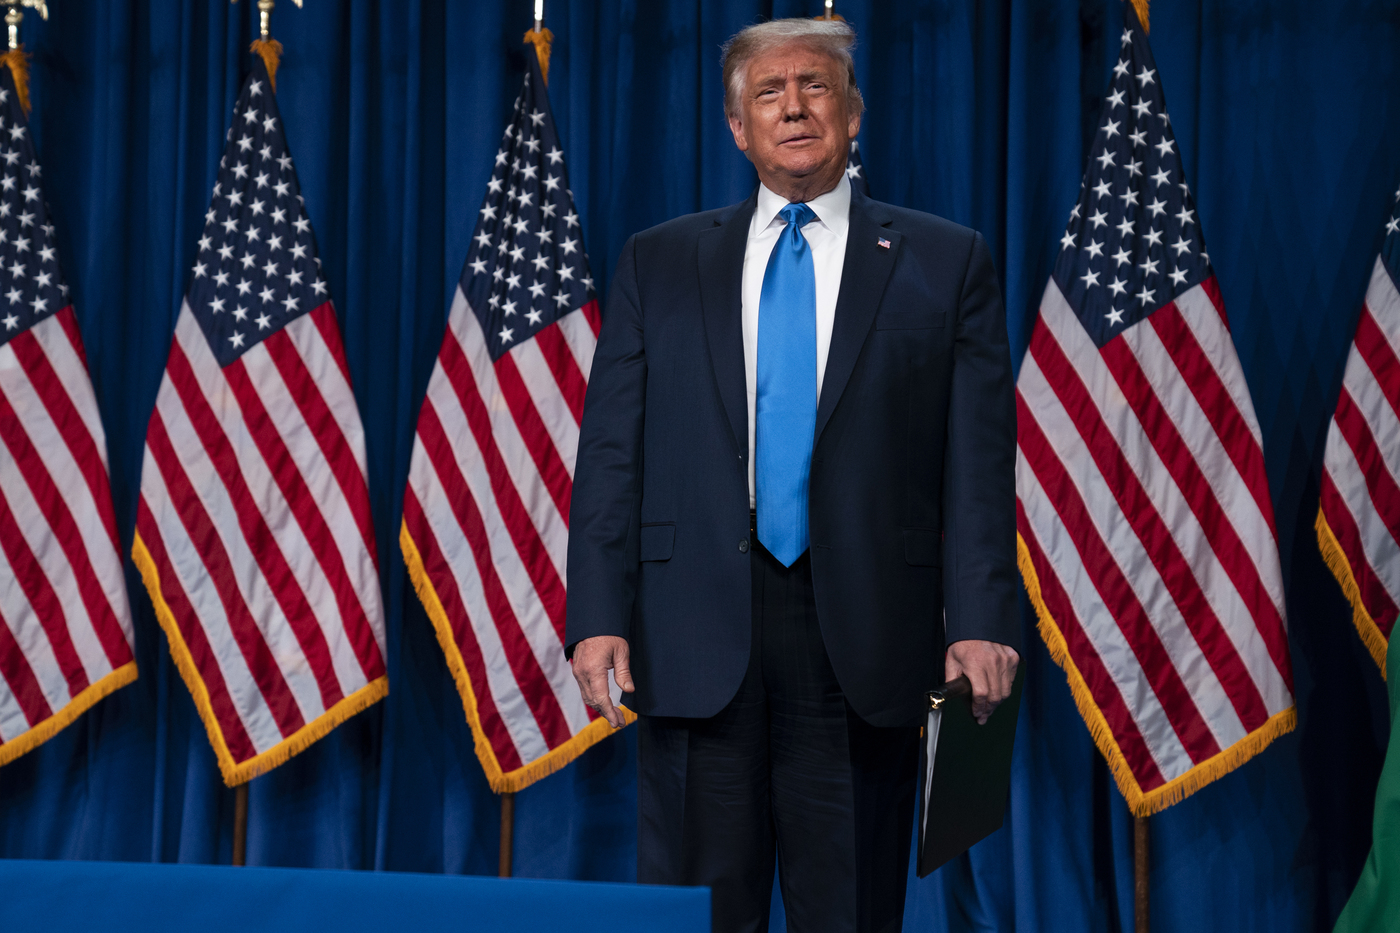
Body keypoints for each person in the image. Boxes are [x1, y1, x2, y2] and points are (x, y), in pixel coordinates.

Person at [566, 18, 1020, 933]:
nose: (794, 107)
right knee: (697, 916)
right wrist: (598, 615)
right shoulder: (659, 260)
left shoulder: (944, 258)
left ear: (854, 113)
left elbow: (977, 463)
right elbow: (613, 453)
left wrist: (979, 621)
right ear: (738, 129)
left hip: (864, 642)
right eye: (768, 94)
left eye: (815, 86)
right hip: (693, 635)